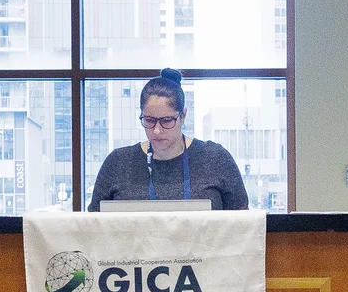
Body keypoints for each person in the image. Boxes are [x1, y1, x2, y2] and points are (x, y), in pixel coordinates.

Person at [89, 69, 249, 210]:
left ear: (183, 116)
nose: (157, 130)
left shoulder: (215, 158)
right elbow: (94, 227)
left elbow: (242, 225)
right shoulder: (118, 163)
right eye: (149, 120)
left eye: (166, 121)